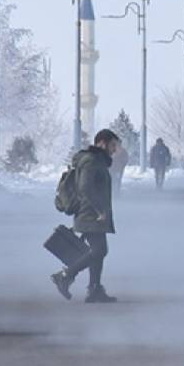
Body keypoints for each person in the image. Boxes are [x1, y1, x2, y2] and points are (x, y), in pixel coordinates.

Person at [51, 129, 120, 303]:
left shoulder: (97, 161)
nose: (114, 150)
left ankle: (94, 288)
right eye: (112, 145)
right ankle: (65, 276)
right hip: (90, 214)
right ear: (102, 143)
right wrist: (99, 210)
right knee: (99, 250)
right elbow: (85, 187)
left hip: (93, 214)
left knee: (99, 250)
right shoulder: (91, 161)